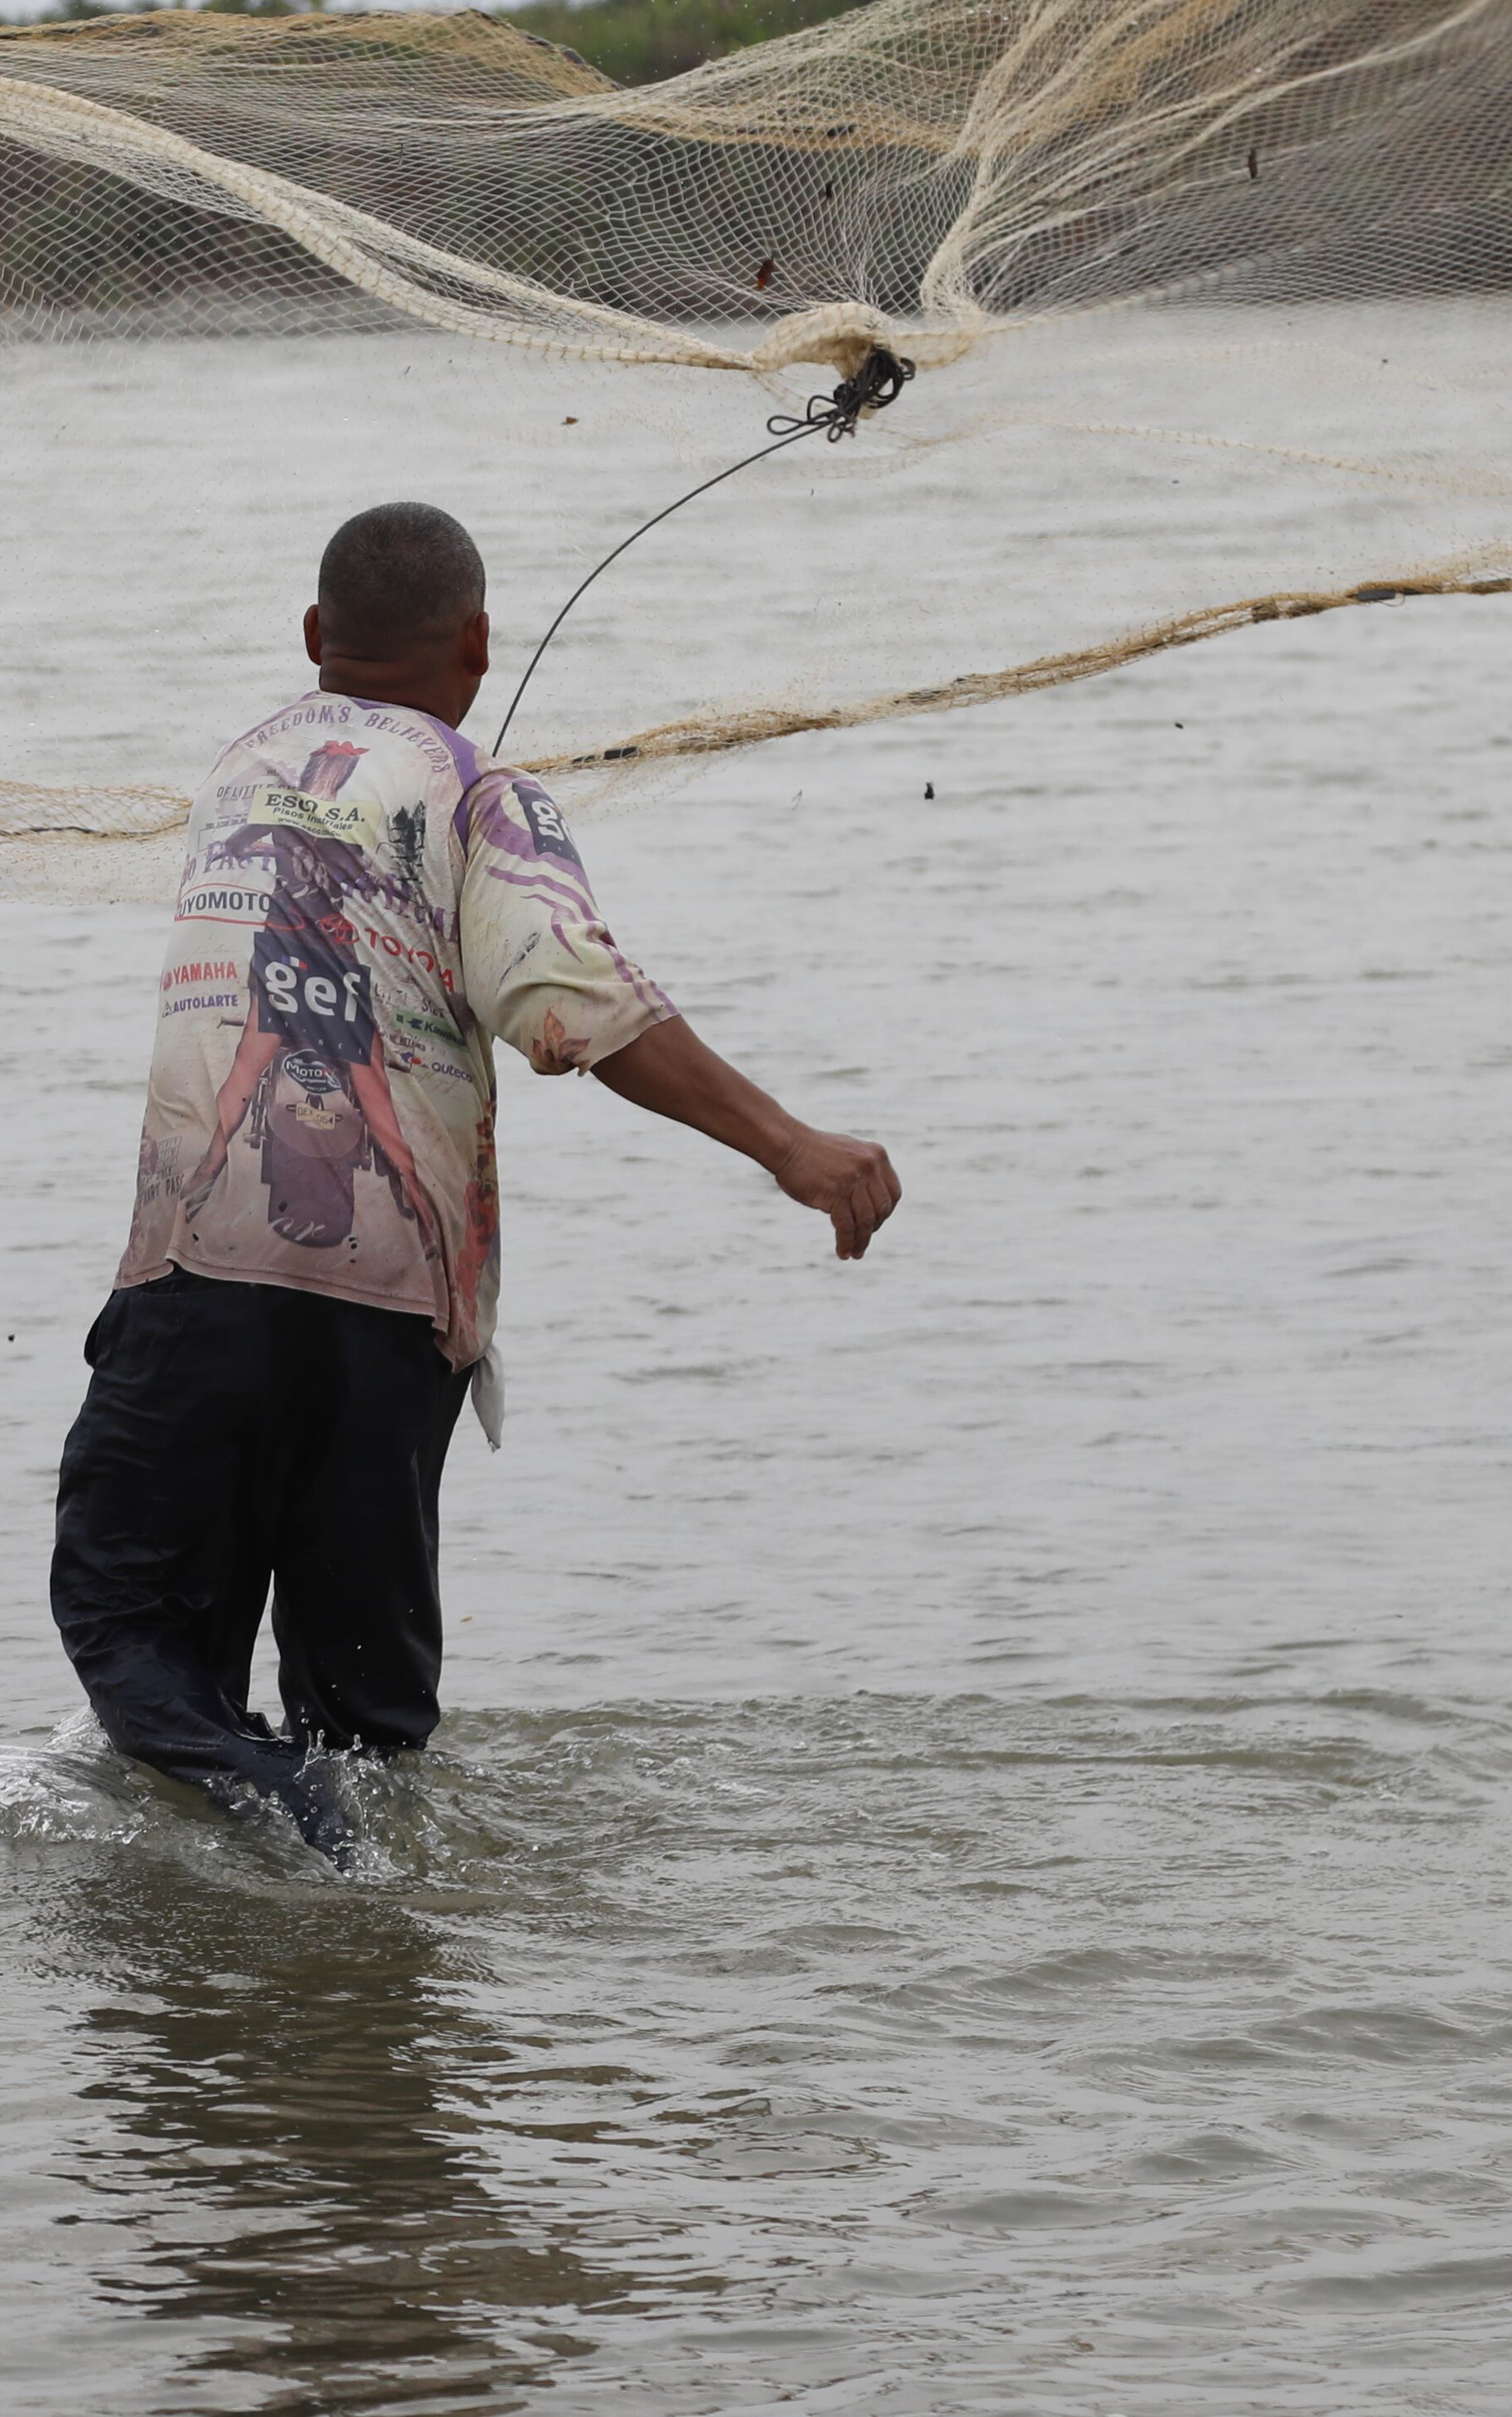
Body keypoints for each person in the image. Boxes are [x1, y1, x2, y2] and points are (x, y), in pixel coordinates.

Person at [52, 500, 902, 1854]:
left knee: (137, 1632)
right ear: (479, 643)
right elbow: (566, 1000)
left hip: (194, 1280)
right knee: (366, 1715)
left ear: (315, 634)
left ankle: (269, 1859)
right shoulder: (483, 794)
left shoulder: (237, 768)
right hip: (391, 1310)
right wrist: (788, 1143)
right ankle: (346, 1878)